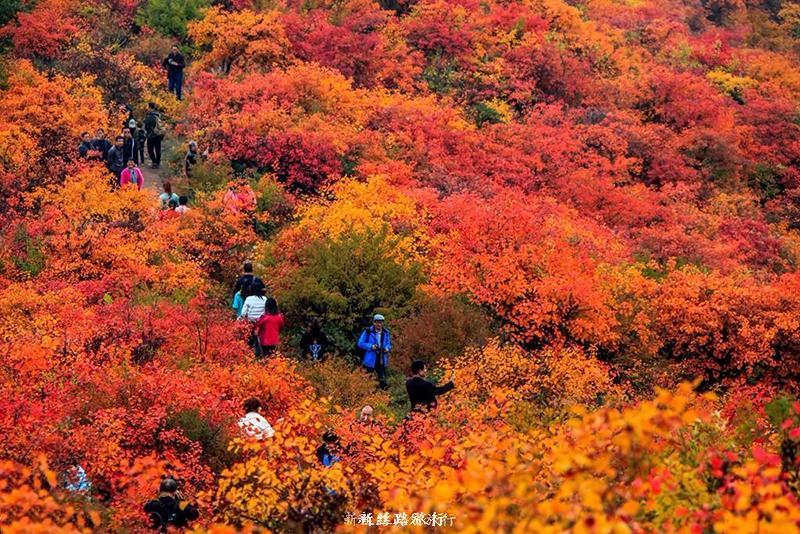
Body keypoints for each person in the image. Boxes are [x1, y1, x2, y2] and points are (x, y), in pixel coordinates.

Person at [358, 314, 392, 389]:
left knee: (382, 380)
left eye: (381, 322)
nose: (379, 324)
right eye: (377, 322)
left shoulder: (386, 332)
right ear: (374, 322)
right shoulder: (368, 331)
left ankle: (382, 397)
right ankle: (366, 396)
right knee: (366, 379)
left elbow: (389, 344)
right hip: (370, 359)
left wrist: (387, 348)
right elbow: (360, 343)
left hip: (381, 358)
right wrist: (371, 346)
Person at [144, 102, 165, 168]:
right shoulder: (158, 115)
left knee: (150, 150)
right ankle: (158, 163)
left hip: (151, 136)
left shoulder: (149, 116)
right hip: (158, 135)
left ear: (150, 107)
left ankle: (154, 162)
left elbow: (146, 127)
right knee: (158, 149)